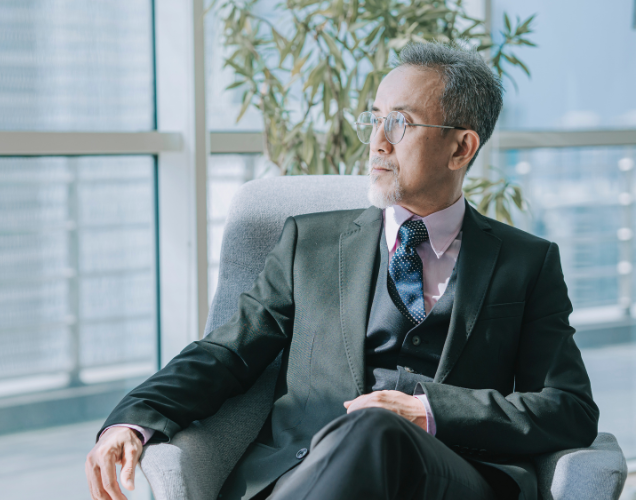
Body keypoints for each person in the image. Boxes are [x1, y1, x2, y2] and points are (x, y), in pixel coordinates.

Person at [85, 42, 598, 500]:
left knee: (378, 429)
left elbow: (568, 409)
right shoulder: (309, 242)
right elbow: (226, 353)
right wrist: (132, 420)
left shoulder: (526, 263)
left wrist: (429, 411)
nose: (377, 141)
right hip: (306, 472)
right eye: (374, 119)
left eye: (399, 122)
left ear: (461, 147)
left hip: (453, 474)